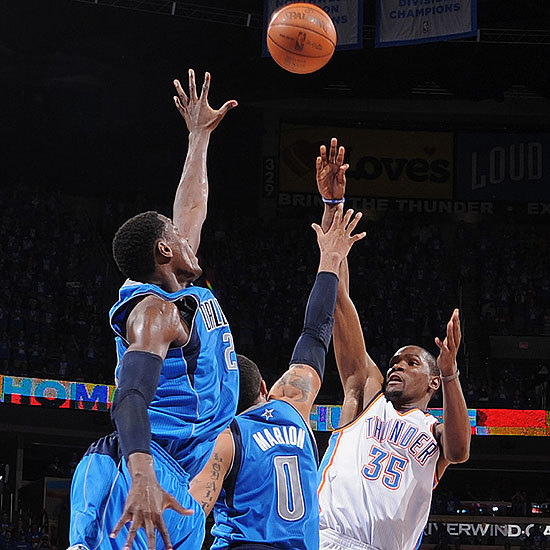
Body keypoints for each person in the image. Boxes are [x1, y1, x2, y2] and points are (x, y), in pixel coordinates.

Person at [69, 70, 238, 550]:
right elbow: (129, 396)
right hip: (156, 466)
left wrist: (198, 138)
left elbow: (189, 209)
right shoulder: (153, 311)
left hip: (189, 474)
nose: (192, 238)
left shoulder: (181, 291)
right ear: (165, 251)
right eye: (180, 239)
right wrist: (141, 471)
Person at [315, 138, 472, 550]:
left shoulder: (435, 432)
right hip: (325, 538)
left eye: (411, 363)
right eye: (394, 361)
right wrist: (333, 207)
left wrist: (451, 370)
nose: (396, 366)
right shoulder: (366, 393)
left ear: (433, 383)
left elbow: (459, 450)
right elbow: (341, 303)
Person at [189, 205, 365, 549]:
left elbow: (192, 514)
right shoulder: (292, 405)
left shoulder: (225, 439)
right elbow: (315, 332)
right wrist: (330, 258)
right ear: (265, 389)